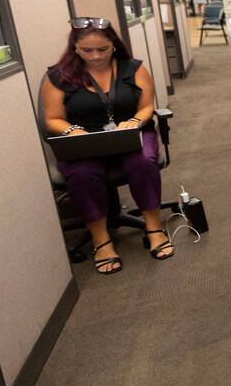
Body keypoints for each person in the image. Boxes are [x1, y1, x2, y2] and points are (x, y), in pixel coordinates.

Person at [42, 17, 174, 274]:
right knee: (82, 173)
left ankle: (154, 228)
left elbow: (147, 106)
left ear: (113, 44)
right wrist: (72, 130)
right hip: (84, 141)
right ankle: (102, 240)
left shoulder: (132, 68)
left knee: (143, 163)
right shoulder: (58, 76)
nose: (95, 56)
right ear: (75, 48)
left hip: (129, 133)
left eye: (102, 49)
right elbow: (52, 120)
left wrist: (135, 121)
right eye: (87, 50)